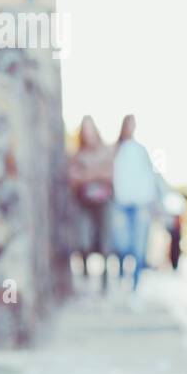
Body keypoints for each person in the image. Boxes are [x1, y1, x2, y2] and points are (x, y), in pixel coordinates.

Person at [110, 114, 158, 291]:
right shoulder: (116, 150)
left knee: (138, 248)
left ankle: (135, 287)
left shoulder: (141, 150)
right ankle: (122, 277)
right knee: (122, 245)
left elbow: (150, 177)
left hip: (140, 204)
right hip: (122, 204)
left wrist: (150, 201)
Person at [67, 115, 113, 292]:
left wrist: (87, 173)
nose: (88, 133)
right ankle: (85, 281)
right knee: (83, 241)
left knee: (104, 242)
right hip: (83, 203)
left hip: (103, 203)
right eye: (84, 130)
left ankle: (105, 283)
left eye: (90, 129)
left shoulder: (105, 152)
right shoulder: (77, 155)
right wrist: (96, 172)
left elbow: (109, 175)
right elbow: (74, 179)